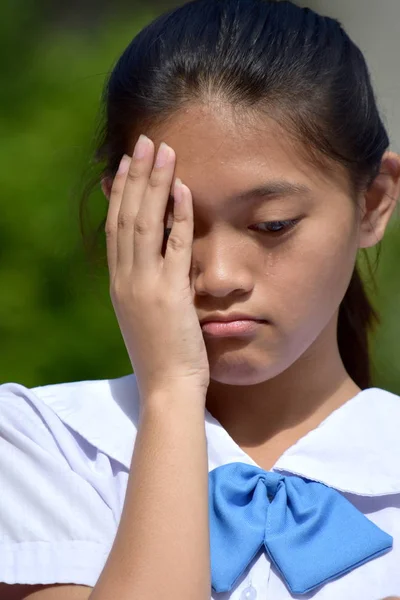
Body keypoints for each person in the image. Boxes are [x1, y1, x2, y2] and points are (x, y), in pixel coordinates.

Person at [0, 0, 400, 598]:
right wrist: (168, 392)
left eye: (272, 225)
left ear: (372, 203)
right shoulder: (54, 443)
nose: (216, 277)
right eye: (172, 225)